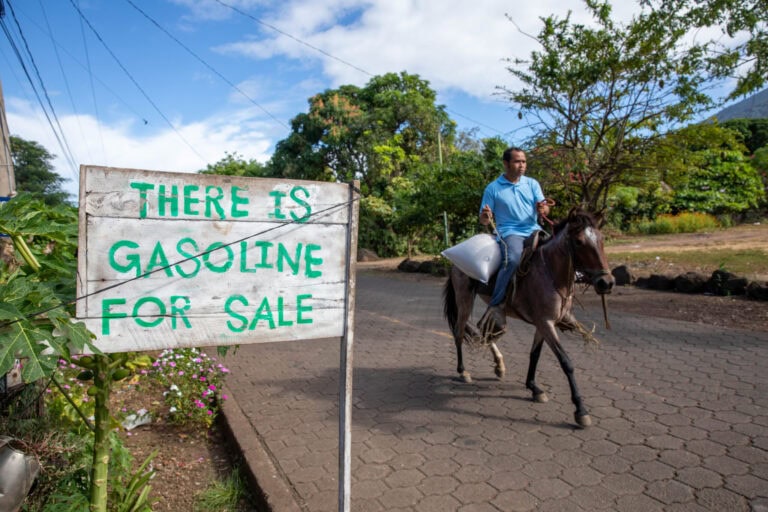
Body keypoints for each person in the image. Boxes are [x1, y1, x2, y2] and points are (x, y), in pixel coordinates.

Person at [479, 147, 549, 335]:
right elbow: (484, 220)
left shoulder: (532, 184)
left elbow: (544, 209)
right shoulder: (493, 188)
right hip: (509, 232)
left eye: (524, 161)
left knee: (559, 251)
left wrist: (543, 209)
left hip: (534, 230)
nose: (522, 165)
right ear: (506, 164)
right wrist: (486, 216)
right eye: (517, 161)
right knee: (514, 259)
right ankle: (495, 305)